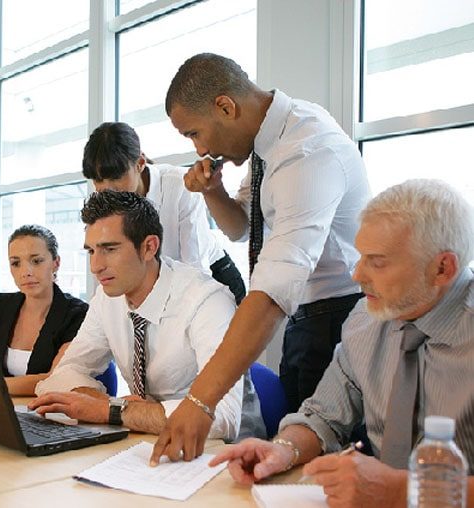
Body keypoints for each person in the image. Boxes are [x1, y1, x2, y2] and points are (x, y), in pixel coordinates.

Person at [151, 53, 371, 463]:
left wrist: (200, 401)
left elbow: (273, 289)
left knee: (328, 467)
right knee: (296, 460)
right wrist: (213, 191)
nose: (200, 149)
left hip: (341, 319)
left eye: (195, 133)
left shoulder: (305, 150)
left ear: (225, 107)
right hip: (305, 321)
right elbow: (243, 227)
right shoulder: (269, 145)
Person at [210, 179, 474, 507]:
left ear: (442, 268)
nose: (357, 274)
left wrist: (400, 491)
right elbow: (323, 416)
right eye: (360, 256)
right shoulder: (366, 319)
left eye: (377, 262)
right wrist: (283, 449)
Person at [29, 190, 263, 441]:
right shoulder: (107, 298)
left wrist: (112, 411)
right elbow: (63, 373)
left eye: (110, 249)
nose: (95, 267)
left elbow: (221, 418)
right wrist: (109, 404)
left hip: (222, 449)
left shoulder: (207, 300)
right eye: (91, 251)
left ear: (149, 247)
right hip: (146, 439)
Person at [82, 121, 246, 305]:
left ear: (140, 163)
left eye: (115, 177)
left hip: (212, 277)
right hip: (160, 284)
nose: (107, 189)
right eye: (98, 180)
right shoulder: (103, 204)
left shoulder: (179, 186)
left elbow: (195, 267)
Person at [0, 224, 88, 396]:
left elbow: (55, 380)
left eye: (37, 261)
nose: (26, 272)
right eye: (16, 263)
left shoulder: (77, 314)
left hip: (51, 408)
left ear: (56, 263)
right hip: (4, 406)